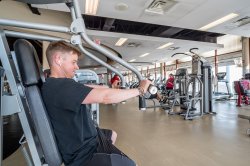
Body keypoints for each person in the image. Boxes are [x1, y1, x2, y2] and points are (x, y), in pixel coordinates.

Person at [41, 41, 151, 166]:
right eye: (73, 62)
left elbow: (94, 88)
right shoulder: (60, 86)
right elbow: (105, 97)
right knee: (132, 165)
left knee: (112, 134)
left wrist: (114, 89)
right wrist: (139, 90)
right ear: (58, 59)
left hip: (91, 138)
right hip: (83, 154)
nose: (77, 67)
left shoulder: (58, 84)